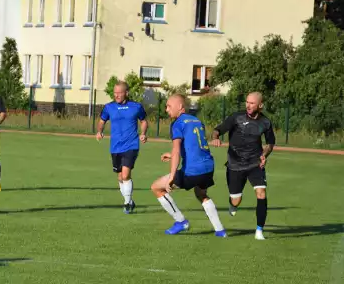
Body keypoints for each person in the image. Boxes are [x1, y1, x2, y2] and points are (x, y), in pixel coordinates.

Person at [150, 94, 227, 236]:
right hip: (208, 167)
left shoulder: (177, 123)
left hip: (193, 170)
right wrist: (171, 154)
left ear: (180, 107)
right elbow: (194, 145)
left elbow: (177, 149)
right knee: (201, 193)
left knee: (157, 188)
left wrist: (172, 176)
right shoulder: (197, 121)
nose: (166, 109)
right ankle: (220, 230)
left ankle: (180, 221)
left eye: (168, 106)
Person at [211, 92, 275, 241]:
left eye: (252, 103)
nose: (248, 105)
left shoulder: (266, 122)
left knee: (261, 193)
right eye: (247, 102)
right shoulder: (236, 117)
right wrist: (215, 138)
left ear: (260, 105)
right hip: (235, 164)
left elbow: (270, 144)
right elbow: (218, 129)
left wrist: (264, 154)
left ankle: (259, 230)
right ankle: (233, 205)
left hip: (255, 164)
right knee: (236, 200)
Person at [96, 81, 148, 214]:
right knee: (120, 177)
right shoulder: (109, 107)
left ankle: (126, 204)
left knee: (126, 175)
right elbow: (102, 120)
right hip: (115, 147)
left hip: (131, 145)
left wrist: (143, 133)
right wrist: (100, 131)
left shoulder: (136, 107)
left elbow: (143, 121)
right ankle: (130, 201)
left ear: (126, 93)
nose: (117, 95)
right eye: (115, 93)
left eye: (120, 93)